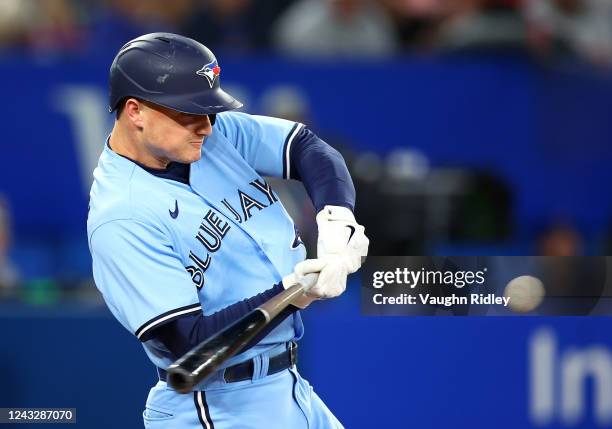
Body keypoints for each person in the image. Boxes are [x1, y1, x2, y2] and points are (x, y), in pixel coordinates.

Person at [87, 32, 368, 429]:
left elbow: (308, 148)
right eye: (187, 112)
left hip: (288, 388)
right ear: (135, 111)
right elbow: (190, 343)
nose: (204, 125)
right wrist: (293, 293)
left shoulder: (212, 135)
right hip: (216, 407)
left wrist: (336, 219)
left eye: (208, 110)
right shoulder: (121, 217)